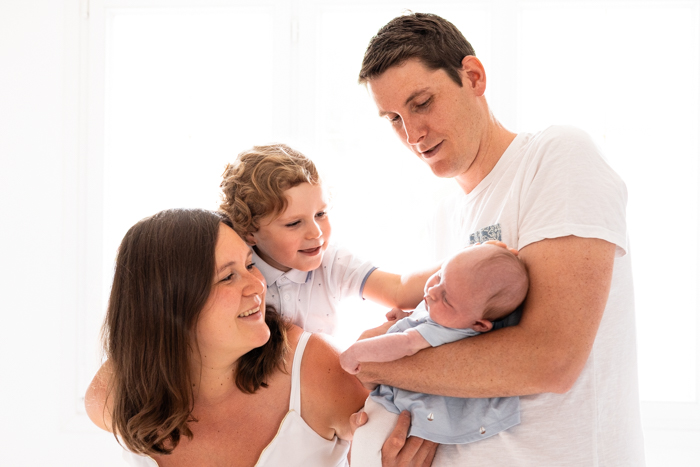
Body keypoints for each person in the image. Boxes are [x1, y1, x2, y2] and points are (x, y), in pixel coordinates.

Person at [352, 12, 645, 466]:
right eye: (393, 118)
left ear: (473, 77)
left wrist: (376, 362)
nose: (412, 134)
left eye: (422, 103)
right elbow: (456, 365)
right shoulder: (443, 217)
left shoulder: (555, 158)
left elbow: (551, 359)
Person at [84, 208, 371, 466]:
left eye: (249, 265)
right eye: (227, 277)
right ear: (170, 307)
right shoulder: (116, 393)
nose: (258, 286)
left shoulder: (317, 370)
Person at [219, 144, 438, 336]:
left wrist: (468, 260)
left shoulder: (332, 261)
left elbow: (399, 290)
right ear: (249, 231)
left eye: (320, 214)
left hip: (320, 378)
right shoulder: (234, 272)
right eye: (294, 223)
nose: (316, 233)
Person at [342, 244, 527, 466]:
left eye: (446, 298)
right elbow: (423, 318)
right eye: (439, 277)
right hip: (401, 400)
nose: (432, 291)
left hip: (402, 406)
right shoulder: (451, 311)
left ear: (479, 324)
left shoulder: (450, 329)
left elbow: (405, 343)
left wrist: (357, 351)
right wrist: (404, 317)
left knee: (366, 448)